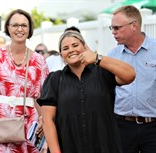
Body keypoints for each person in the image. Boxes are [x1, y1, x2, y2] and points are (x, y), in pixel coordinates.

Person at [37, 31, 136, 153]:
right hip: (69, 147)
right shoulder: (55, 80)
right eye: (65, 48)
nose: (71, 50)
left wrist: (97, 58)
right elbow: (48, 121)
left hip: (105, 146)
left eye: (75, 45)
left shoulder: (102, 72)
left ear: (85, 47)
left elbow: (130, 75)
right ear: (62, 55)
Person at [0, 9, 49, 153]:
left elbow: (43, 98)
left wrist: (44, 121)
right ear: (8, 28)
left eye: (24, 25)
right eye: (15, 25)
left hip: (30, 125)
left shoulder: (39, 61)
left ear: (29, 30)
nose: (20, 29)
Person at [107, 5, 156, 153]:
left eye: (117, 28)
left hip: (153, 128)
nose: (113, 32)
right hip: (122, 127)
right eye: (111, 28)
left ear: (134, 26)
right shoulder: (112, 55)